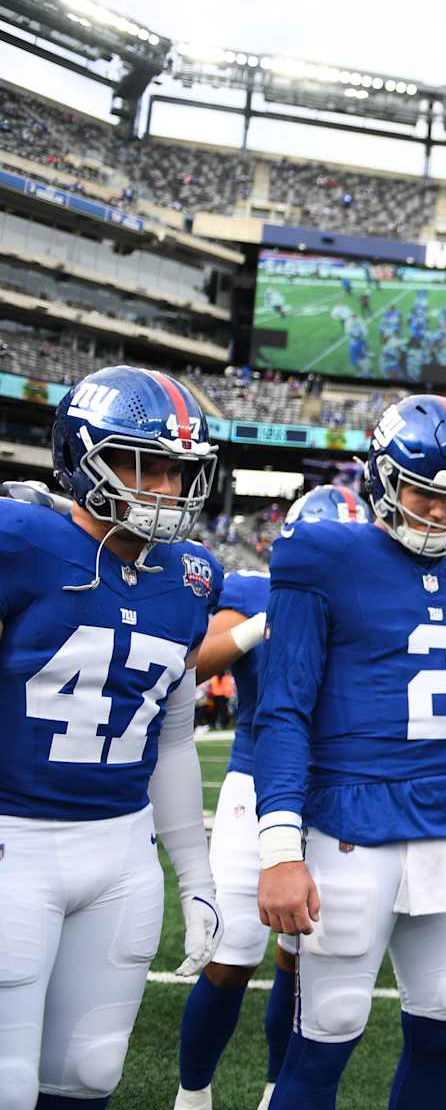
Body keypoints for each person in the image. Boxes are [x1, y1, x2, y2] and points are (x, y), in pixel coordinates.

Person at [254, 395, 446, 1109]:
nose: (439, 515)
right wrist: (280, 848)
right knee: (328, 1030)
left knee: (445, 1017)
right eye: (424, 494)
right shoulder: (324, 553)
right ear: (382, 480)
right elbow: (283, 706)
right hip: (350, 823)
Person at [0, 365, 223, 1108]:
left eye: (179, 469)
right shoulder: (23, 542)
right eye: (145, 465)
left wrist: (197, 876)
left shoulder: (193, 575)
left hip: (122, 852)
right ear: (82, 454)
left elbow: (175, 736)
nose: (166, 486)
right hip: (13, 845)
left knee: (93, 1072)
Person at [173, 486, 372, 1110]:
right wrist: (264, 624)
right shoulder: (259, 590)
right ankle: (193, 1093)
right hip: (257, 784)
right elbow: (194, 664)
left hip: (335, 786)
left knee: (301, 963)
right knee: (232, 956)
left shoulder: (376, 599)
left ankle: (274, 1090)